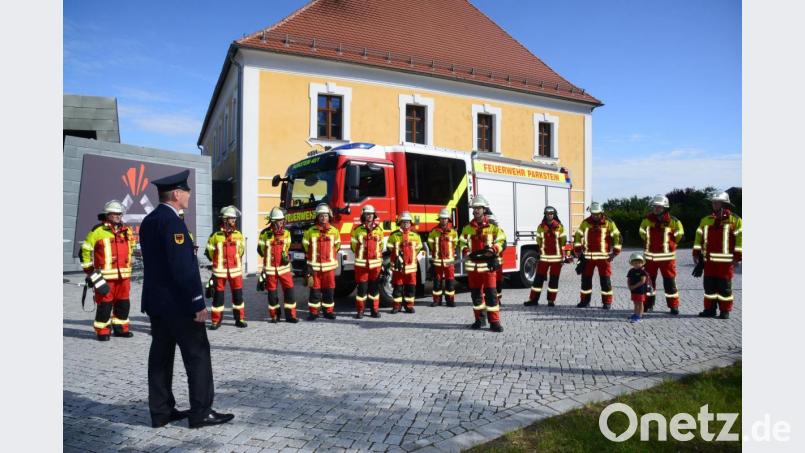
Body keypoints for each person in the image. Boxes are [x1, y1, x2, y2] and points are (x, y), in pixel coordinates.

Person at [139, 169, 233, 429]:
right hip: (180, 306)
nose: (189, 195)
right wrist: (197, 302)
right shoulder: (173, 223)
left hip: (157, 304)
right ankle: (201, 411)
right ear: (177, 194)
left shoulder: (150, 221)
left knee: (160, 357)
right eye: (187, 191)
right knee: (198, 356)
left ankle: (161, 411)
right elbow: (182, 268)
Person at [80, 200, 136, 341]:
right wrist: (90, 271)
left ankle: (121, 328)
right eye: (115, 213)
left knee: (123, 303)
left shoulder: (127, 230)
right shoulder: (97, 231)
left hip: (124, 276)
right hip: (104, 277)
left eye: (119, 213)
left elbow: (132, 247)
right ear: (107, 214)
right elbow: (85, 250)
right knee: (105, 304)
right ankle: (103, 331)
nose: (118, 216)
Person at [458, 195, 505, 332]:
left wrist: (493, 249)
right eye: (474, 208)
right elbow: (461, 242)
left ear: (484, 210)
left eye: (479, 208)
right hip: (473, 268)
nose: (476, 210)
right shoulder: (467, 228)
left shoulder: (492, 227)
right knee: (476, 296)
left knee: (491, 295)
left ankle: (495, 322)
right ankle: (479, 320)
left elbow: (502, 240)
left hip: (488, 267)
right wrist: (466, 251)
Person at [693, 191, 743, 319]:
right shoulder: (706, 220)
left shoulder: (735, 220)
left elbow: (740, 239)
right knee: (709, 288)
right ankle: (709, 310)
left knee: (724, 288)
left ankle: (725, 311)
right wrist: (696, 253)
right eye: (713, 202)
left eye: (717, 202)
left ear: (724, 204)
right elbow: (698, 237)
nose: (714, 204)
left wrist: (738, 257)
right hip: (709, 261)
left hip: (726, 263)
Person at [639, 195, 684, 315]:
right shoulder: (647, 220)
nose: (657, 209)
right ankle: (648, 305)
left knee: (670, 283)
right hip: (650, 258)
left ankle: (673, 306)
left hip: (667, 259)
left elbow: (679, 235)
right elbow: (642, 232)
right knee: (649, 283)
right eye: (655, 206)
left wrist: (671, 245)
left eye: (659, 207)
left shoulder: (674, 221)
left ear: (665, 208)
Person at [574, 202, 622, 309]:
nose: (595, 216)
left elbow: (617, 236)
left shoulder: (609, 223)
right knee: (585, 281)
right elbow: (578, 235)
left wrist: (615, 252)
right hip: (587, 258)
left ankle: (607, 302)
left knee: (605, 281)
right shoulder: (585, 223)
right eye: (593, 213)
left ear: (601, 213)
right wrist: (577, 250)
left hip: (603, 258)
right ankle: (585, 301)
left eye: (597, 214)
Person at [205, 206, 246, 329]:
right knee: (218, 297)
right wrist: (218, 263)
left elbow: (241, 251)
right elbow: (209, 252)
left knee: (238, 297)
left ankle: (240, 319)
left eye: (234, 219)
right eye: (232, 219)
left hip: (236, 272)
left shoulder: (239, 235)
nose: (234, 221)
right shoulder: (215, 236)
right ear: (225, 220)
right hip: (220, 272)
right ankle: (216, 321)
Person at [257, 207, 298, 323]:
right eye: (277, 221)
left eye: (281, 220)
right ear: (272, 221)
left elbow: (287, 247)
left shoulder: (287, 233)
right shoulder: (264, 234)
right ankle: (275, 316)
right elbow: (260, 250)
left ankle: (291, 316)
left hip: (284, 268)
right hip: (270, 270)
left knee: (289, 292)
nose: (279, 223)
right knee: (272, 294)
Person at [302, 203, 341, 320]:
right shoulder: (310, 231)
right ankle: (313, 313)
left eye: (325, 216)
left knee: (329, 291)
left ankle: (328, 312)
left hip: (329, 268)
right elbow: (305, 247)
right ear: (317, 217)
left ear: (329, 217)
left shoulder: (334, 231)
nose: (323, 218)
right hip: (314, 268)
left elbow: (337, 246)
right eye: (321, 216)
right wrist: (308, 265)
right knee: (315, 291)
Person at [524, 206, 566, 307]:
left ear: (554, 215)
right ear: (545, 215)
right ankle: (533, 300)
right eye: (548, 214)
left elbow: (563, 242)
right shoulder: (541, 227)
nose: (549, 215)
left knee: (554, 280)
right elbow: (538, 241)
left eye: (551, 214)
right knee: (538, 280)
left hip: (556, 258)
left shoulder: (560, 227)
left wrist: (564, 257)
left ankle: (551, 301)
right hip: (543, 258)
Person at [350, 205, 385, 318]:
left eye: (371, 214)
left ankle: (374, 310)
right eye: (367, 214)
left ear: (374, 216)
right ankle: (360, 311)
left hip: (375, 265)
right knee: (362, 289)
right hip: (362, 265)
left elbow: (381, 246)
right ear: (363, 216)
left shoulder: (379, 230)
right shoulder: (357, 230)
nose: (369, 216)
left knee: (374, 289)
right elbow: (353, 246)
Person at [387, 211, 423, 314]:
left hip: (411, 268)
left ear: (410, 223)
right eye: (403, 222)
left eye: (407, 222)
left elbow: (419, 249)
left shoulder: (415, 236)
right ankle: (396, 307)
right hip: (398, 267)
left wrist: (412, 258)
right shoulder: (394, 235)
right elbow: (389, 248)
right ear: (400, 223)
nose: (406, 224)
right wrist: (396, 256)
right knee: (397, 287)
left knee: (410, 288)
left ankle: (409, 306)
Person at [427, 208, 458, 307]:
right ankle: (437, 301)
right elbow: (431, 244)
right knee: (437, 282)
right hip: (438, 261)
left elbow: (455, 244)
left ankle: (450, 301)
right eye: (442, 218)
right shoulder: (434, 232)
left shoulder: (453, 232)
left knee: (450, 282)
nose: (443, 220)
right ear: (439, 219)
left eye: (445, 219)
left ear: (448, 220)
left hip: (449, 262)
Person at [486, 213, 507, 305]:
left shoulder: (499, 231)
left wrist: (495, 249)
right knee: (489, 282)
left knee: (498, 281)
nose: (490, 223)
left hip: (497, 261)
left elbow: (504, 245)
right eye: (489, 221)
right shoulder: (485, 232)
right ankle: (490, 299)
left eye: (492, 222)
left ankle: (498, 299)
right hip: (487, 261)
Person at [626, 252, 651, 323]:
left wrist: (634, 286)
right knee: (635, 303)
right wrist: (629, 286)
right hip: (633, 290)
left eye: (638, 263)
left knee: (640, 303)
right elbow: (629, 279)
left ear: (642, 263)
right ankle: (635, 314)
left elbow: (643, 281)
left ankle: (639, 316)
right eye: (635, 263)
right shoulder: (631, 271)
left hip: (640, 290)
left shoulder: (643, 271)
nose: (637, 264)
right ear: (632, 263)